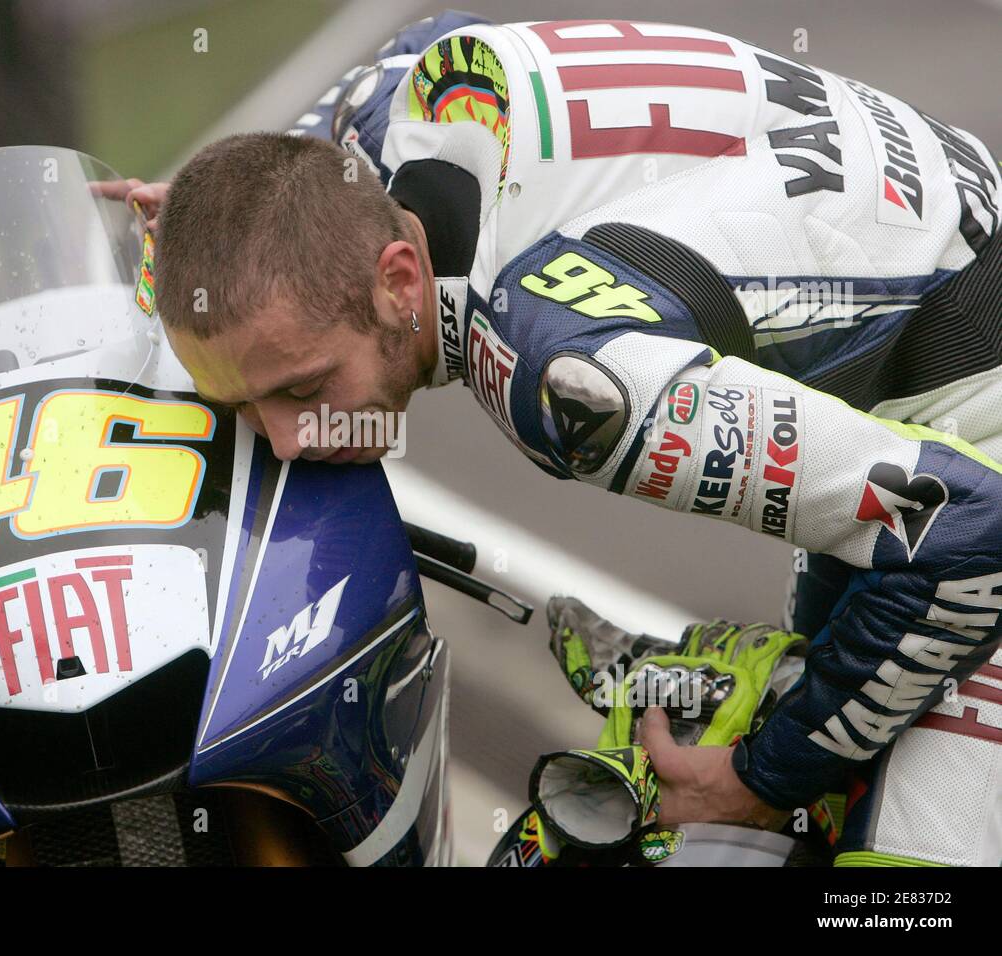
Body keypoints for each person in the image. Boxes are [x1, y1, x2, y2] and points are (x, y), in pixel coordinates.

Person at [121, 12, 1002, 866]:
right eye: (239, 404)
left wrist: (761, 781)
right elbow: (294, 163)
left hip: (974, 452)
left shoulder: (566, 380)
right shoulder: (392, 111)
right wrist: (206, 224)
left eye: (304, 389)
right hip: (938, 298)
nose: (283, 438)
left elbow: (966, 533)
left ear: (398, 281)